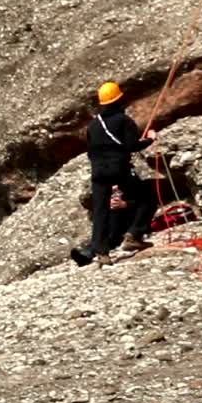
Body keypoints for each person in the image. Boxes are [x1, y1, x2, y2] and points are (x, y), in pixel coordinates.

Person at [86, 81, 158, 266]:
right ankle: (134, 234)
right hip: (119, 170)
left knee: (100, 211)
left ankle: (102, 253)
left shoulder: (93, 125)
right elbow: (132, 145)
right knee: (147, 196)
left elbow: (90, 151)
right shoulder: (124, 121)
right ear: (119, 100)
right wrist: (149, 140)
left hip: (98, 172)